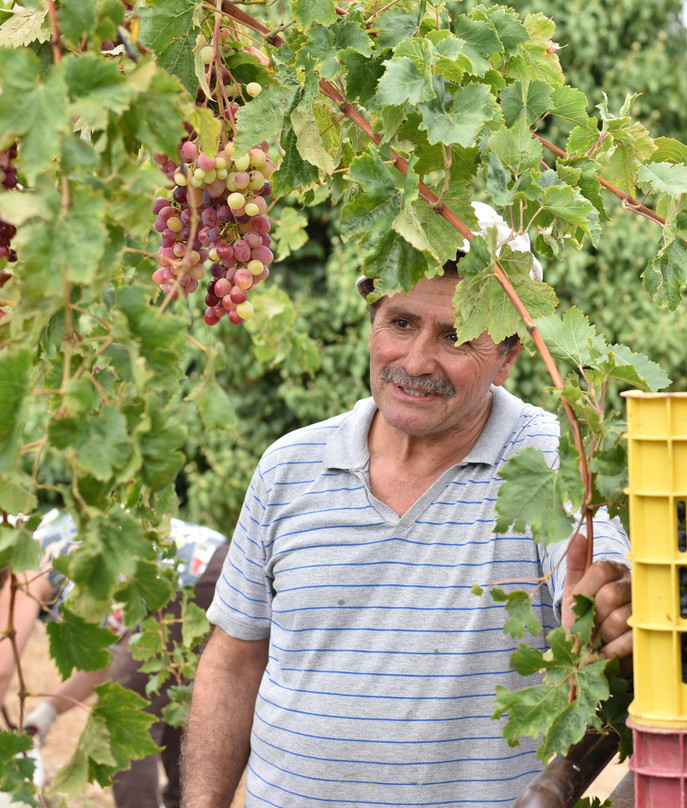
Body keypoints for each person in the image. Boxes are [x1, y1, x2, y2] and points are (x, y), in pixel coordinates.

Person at [181, 202, 633, 807]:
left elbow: (597, 578)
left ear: (507, 357)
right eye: (399, 323)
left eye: (455, 336)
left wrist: (601, 612)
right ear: (372, 322)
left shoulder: (555, 463)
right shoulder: (289, 466)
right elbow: (235, 662)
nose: (416, 362)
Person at [2, 511, 229, 808]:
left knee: (121, 720)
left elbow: (2, 668)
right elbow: (107, 662)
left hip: (189, 580)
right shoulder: (51, 540)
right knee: (175, 705)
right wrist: (49, 711)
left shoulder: (20, 568)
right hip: (216, 567)